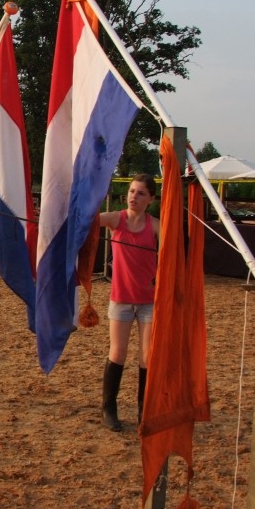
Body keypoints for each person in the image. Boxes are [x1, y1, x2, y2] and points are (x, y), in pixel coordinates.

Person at [96, 174, 160, 432]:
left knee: (147, 356)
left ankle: (145, 410)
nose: (134, 196)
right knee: (117, 352)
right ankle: (108, 409)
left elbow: (175, 251)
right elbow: (85, 220)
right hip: (121, 299)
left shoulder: (156, 225)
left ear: (151, 199)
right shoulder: (116, 219)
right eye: (132, 191)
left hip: (149, 301)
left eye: (141, 193)